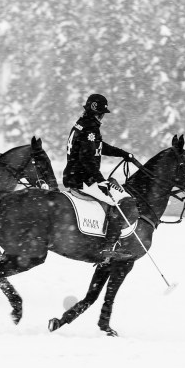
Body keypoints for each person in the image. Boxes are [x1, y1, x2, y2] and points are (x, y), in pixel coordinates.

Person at [63, 93, 138, 261]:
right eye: (102, 113)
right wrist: (100, 180)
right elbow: (86, 158)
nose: (103, 116)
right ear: (98, 112)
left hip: (74, 174)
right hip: (83, 179)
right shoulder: (90, 128)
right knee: (119, 202)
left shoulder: (82, 124)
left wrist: (122, 153)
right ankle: (108, 247)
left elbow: (97, 147)